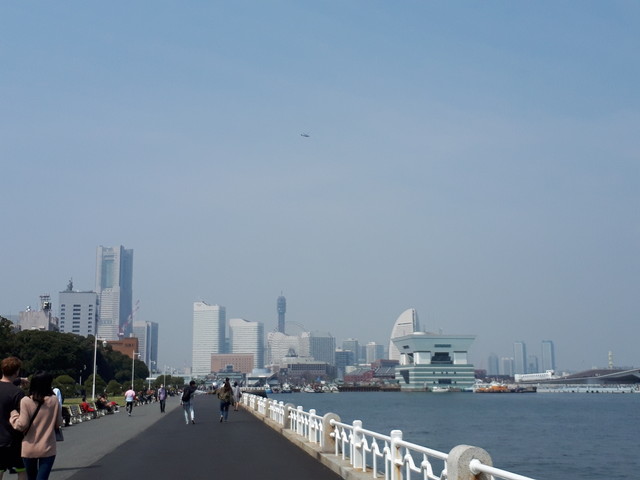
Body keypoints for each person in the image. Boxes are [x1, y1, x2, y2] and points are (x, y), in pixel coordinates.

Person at [10, 372, 63, 480]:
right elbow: (58, 423)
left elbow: (22, 425)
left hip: (29, 447)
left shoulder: (26, 401)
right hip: (48, 446)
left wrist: (13, 416)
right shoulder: (53, 400)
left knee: (31, 477)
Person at [0, 357, 27, 480]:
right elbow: (23, 418)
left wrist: (19, 380)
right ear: (17, 372)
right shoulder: (17, 393)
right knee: (21, 470)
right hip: (13, 438)